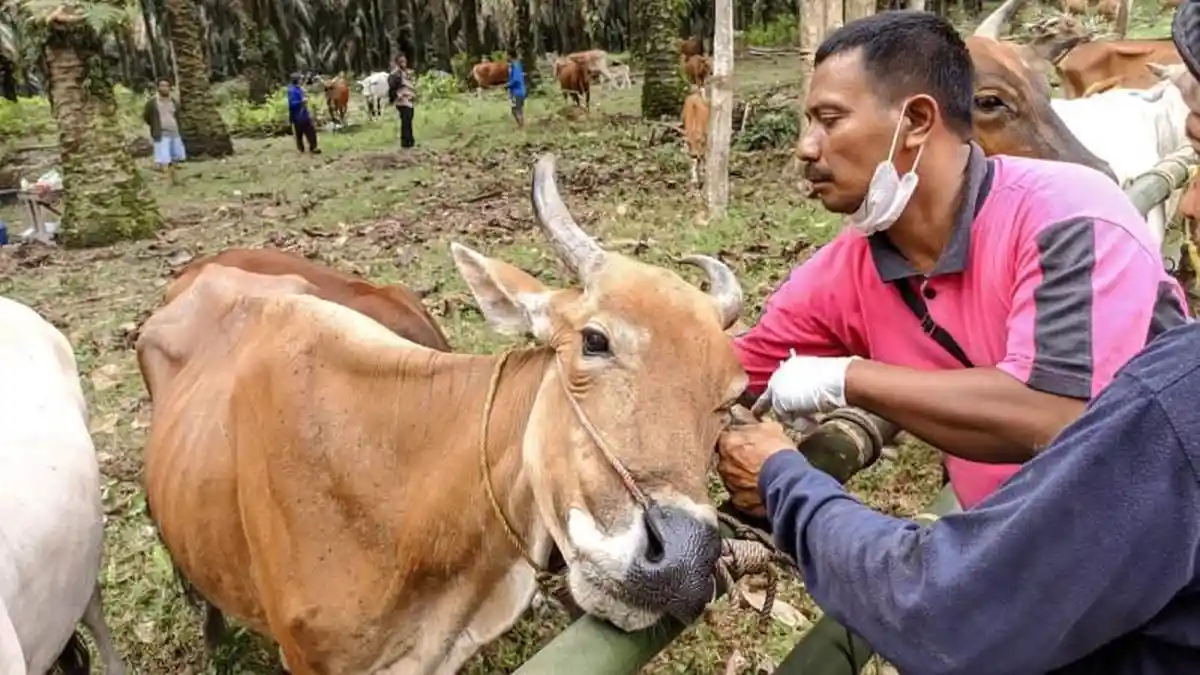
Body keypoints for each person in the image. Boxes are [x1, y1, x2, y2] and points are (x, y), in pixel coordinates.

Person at [728, 11, 1189, 515]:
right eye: (809, 122)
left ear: (918, 122)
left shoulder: (1069, 216)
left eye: (830, 119)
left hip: (1161, 532)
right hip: (1012, 540)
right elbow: (730, 371)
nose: (806, 147)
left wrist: (845, 378)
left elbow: (1054, 414)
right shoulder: (847, 270)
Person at [142, 78, 187, 171]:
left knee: (177, 155)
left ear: (170, 88)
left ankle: (174, 170)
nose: (164, 88)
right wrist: (155, 126)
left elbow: (178, 115)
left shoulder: (174, 102)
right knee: (163, 156)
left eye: (166, 86)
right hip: (161, 133)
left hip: (174, 132)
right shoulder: (152, 103)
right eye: (162, 86)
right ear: (158, 88)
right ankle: (162, 168)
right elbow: (147, 116)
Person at [287, 73, 321, 155]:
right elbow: (292, 104)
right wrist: (301, 102)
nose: (302, 81)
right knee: (299, 134)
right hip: (297, 116)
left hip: (304, 115)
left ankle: (313, 147)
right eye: (300, 79)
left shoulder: (299, 89)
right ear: (296, 80)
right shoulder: (292, 91)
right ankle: (301, 149)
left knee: (311, 131)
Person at [387, 55, 416, 148]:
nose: (404, 63)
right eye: (402, 62)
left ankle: (409, 140)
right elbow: (392, 88)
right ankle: (406, 142)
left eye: (405, 61)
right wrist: (396, 96)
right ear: (398, 63)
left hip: (409, 99)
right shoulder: (395, 74)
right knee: (405, 120)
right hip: (402, 101)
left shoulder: (407, 73)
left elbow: (412, 85)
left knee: (409, 119)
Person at [507, 49, 527, 128]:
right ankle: (522, 125)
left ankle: (521, 126)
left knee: (515, 110)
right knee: (519, 110)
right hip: (521, 90)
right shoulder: (518, 65)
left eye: (507, 55)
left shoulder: (514, 66)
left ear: (510, 56)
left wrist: (508, 85)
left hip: (516, 92)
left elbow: (516, 80)